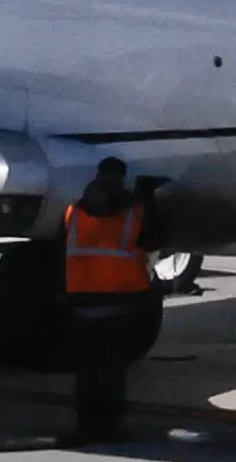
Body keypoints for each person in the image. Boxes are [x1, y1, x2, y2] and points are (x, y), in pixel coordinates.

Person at [58, 155, 161, 443]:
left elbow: (61, 249)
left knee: (86, 371)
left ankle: (86, 425)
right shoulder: (134, 212)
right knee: (114, 369)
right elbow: (154, 240)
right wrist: (147, 198)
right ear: (122, 178)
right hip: (122, 303)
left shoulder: (72, 213)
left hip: (82, 304)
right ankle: (111, 426)